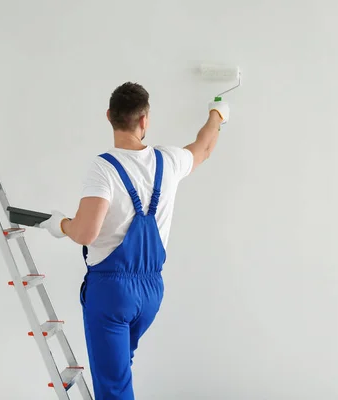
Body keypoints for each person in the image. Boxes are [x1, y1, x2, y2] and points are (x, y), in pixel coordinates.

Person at [40, 82, 230, 399]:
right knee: (119, 370)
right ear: (144, 120)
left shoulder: (103, 168)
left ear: (109, 116)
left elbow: (85, 232)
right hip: (151, 292)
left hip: (112, 293)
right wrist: (217, 115)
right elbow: (205, 147)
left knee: (113, 386)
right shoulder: (169, 160)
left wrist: (60, 224)